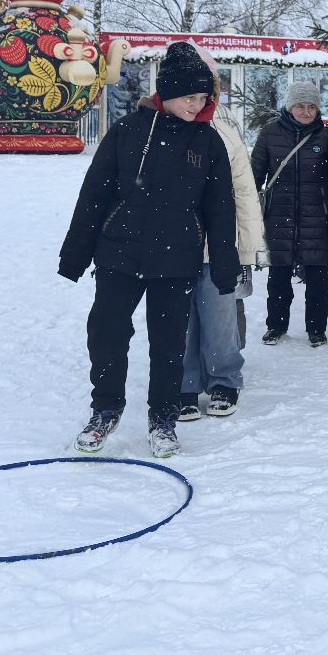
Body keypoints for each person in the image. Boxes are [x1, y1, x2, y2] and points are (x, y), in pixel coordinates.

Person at [59, 40, 239, 458]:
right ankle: (105, 409)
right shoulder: (127, 131)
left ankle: (163, 419)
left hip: (177, 258)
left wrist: (225, 265)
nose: (197, 105)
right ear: (168, 92)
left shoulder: (208, 142)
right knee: (106, 334)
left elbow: (221, 209)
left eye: (203, 98)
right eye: (189, 97)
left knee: (168, 343)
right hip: (118, 254)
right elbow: (94, 195)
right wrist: (76, 254)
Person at [180, 47, 265, 421]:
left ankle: (224, 381)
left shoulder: (225, 133)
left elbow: (245, 193)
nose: (197, 99)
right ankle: (184, 384)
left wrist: (248, 248)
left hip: (219, 246)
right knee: (179, 319)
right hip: (175, 245)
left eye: (205, 90)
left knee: (221, 317)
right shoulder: (159, 130)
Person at [252, 77, 328, 348]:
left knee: (318, 281)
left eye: (312, 107)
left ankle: (317, 330)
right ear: (289, 106)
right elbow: (252, 179)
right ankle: (276, 327)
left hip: (317, 220)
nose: (306, 112)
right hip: (278, 219)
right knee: (279, 279)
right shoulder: (270, 134)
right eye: (300, 106)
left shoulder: (326, 137)